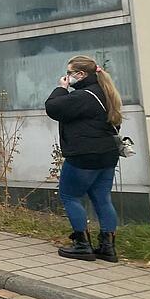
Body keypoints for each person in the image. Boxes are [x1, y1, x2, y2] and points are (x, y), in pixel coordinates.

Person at [45, 55, 123, 263]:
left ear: (81, 74)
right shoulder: (105, 92)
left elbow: (53, 107)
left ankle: (82, 245)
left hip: (84, 155)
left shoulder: (84, 96)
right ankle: (107, 247)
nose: (67, 76)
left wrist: (61, 88)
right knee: (102, 198)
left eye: (69, 73)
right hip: (107, 155)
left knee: (69, 196)